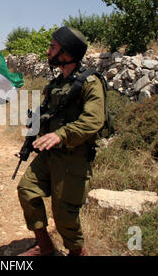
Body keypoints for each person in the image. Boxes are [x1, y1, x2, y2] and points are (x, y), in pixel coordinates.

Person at [17, 27, 106, 256]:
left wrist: (61, 135)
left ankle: (77, 252)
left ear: (68, 52)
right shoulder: (58, 82)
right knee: (27, 190)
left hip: (72, 159)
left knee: (64, 214)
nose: (48, 51)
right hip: (49, 155)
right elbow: (50, 111)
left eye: (53, 47)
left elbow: (94, 120)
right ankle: (45, 247)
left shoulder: (90, 82)